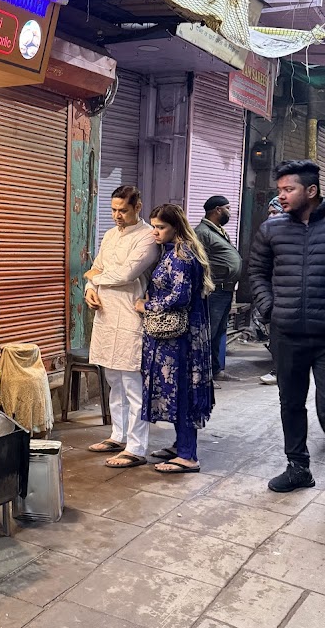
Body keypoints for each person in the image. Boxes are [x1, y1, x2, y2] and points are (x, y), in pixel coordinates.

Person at [248, 159, 325, 492]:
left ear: (311, 190)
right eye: (279, 189)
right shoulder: (272, 229)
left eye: (288, 189)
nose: (281, 196)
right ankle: (298, 467)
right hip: (287, 333)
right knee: (291, 403)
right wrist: (270, 309)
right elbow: (256, 274)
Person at [85, 186, 160, 468]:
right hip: (105, 314)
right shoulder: (109, 234)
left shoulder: (147, 238)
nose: (117, 216)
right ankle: (117, 435)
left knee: (132, 383)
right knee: (113, 380)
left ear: (137, 206)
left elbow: (126, 273)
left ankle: (137, 447)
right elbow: (98, 266)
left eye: (123, 210)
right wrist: (89, 288)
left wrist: (96, 275)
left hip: (130, 315)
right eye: (114, 210)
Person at [138, 204, 214, 474]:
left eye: (161, 227)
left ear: (176, 228)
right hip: (174, 336)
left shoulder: (181, 255)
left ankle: (187, 455)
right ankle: (180, 445)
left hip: (180, 339)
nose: (155, 232)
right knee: (176, 389)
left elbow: (180, 297)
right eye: (154, 226)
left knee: (182, 389)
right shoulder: (174, 251)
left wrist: (147, 306)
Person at [195, 195, 242, 386]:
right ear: (218, 210)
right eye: (228, 208)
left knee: (219, 331)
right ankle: (204, 377)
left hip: (226, 290)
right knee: (209, 333)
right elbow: (198, 261)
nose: (230, 212)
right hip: (214, 291)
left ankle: (216, 370)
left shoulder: (218, 231)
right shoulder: (202, 232)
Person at [258, 196, 284, 386]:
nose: (271, 217)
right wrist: (266, 303)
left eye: (275, 212)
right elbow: (259, 272)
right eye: (270, 213)